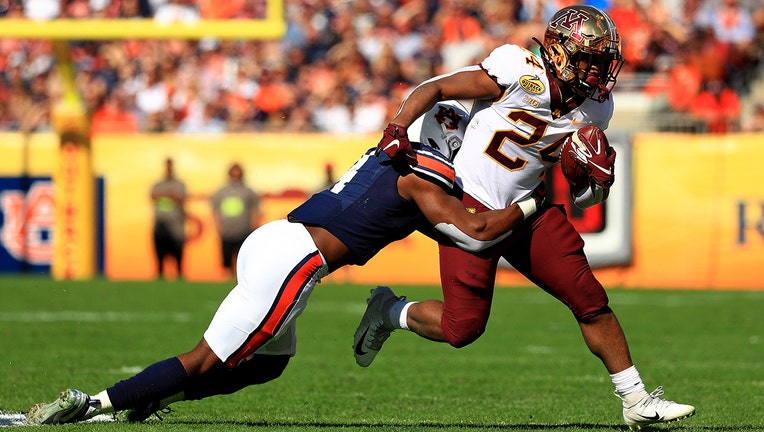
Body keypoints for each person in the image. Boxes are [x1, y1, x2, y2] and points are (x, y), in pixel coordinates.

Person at [23, 101, 545, 425]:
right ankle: (91, 403)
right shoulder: (424, 173)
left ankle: (158, 395)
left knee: (270, 364)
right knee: (208, 358)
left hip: (276, 239)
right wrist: (537, 200)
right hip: (297, 259)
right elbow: (474, 232)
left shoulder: (390, 154)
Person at [352, 5, 695, 431]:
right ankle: (389, 311)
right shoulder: (517, 68)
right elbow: (437, 87)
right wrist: (399, 125)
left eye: (602, 62)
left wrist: (598, 179)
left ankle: (635, 399)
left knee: (589, 299)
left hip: (529, 211)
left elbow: (587, 199)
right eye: (588, 59)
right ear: (559, 51)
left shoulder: (596, 109)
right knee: (463, 329)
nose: (595, 72)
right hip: (470, 208)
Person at [211, 163, 262, 279]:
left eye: (238, 175)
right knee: (227, 261)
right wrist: (218, 227)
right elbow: (216, 211)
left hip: (243, 231)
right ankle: (228, 281)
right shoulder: (221, 192)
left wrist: (253, 228)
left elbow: (254, 211)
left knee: (242, 261)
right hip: (227, 231)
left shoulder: (248, 192)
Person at [150, 157, 187, 280]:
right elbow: (153, 196)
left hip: (176, 227)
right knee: (160, 254)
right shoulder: (158, 184)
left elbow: (180, 198)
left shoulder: (179, 184)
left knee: (178, 254)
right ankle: (160, 275)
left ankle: (179, 275)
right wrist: (169, 194)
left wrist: (165, 195)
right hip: (161, 226)